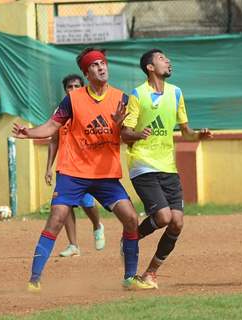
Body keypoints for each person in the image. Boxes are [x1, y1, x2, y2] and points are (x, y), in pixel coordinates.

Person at [13, 48, 154, 292]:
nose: (102, 67)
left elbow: (127, 137)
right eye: (95, 65)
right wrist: (28, 133)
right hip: (73, 172)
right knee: (56, 219)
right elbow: (50, 127)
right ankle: (34, 280)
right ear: (87, 72)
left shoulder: (121, 99)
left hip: (105, 175)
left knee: (131, 218)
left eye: (103, 63)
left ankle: (129, 277)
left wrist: (122, 126)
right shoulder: (73, 99)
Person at [121, 49, 212, 289]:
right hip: (142, 164)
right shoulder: (138, 94)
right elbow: (125, 133)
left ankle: (150, 273)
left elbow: (186, 133)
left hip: (167, 167)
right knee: (163, 217)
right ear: (150, 67)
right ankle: (131, 238)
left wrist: (198, 135)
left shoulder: (176, 93)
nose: (168, 61)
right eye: (162, 59)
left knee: (177, 223)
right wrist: (138, 134)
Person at [45, 74, 105, 257]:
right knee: (65, 205)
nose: (73, 90)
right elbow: (53, 140)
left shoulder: (90, 108)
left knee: (87, 203)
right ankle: (73, 245)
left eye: (77, 86)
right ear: (65, 90)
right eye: (69, 87)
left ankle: (97, 224)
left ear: (83, 87)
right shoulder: (60, 111)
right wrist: (48, 167)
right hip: (65, 166)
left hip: (86, 166)